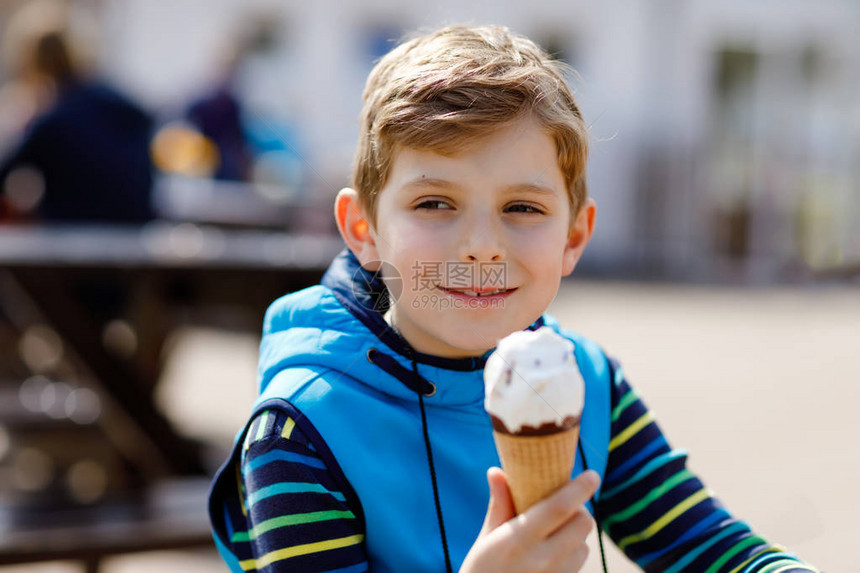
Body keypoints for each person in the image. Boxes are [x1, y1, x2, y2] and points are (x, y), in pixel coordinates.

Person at [208, 26, 818, 572]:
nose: (480, 247)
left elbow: (707, 549)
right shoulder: (301, 431)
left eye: (521, 208)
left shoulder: (586, 383)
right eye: (434, 203)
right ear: (363, 229)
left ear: (574, 236)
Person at [0, 2, 154, 223]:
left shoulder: (55, 120)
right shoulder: (121, 105)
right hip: (136, 231)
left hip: (76, 234)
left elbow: (7, 171)